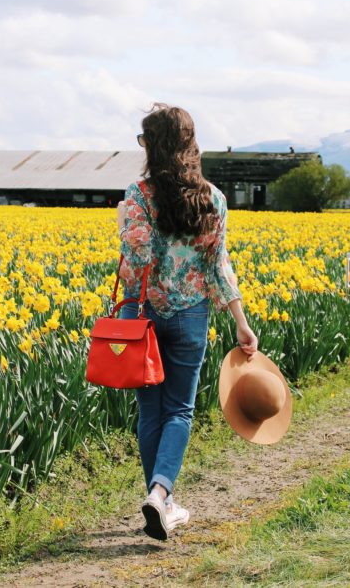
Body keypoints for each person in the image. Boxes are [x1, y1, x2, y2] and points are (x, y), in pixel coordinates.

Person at [116, 103, 258, 541]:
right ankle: (161, 497)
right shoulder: (213, 198)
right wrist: (240, 319)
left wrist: (123, 223)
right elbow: (219, 267)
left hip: (143, 316)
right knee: (179, 409)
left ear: (154, 146)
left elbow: (137, 259)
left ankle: (159, 500)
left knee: (150, 410)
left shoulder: (139, 195)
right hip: (191, 316)